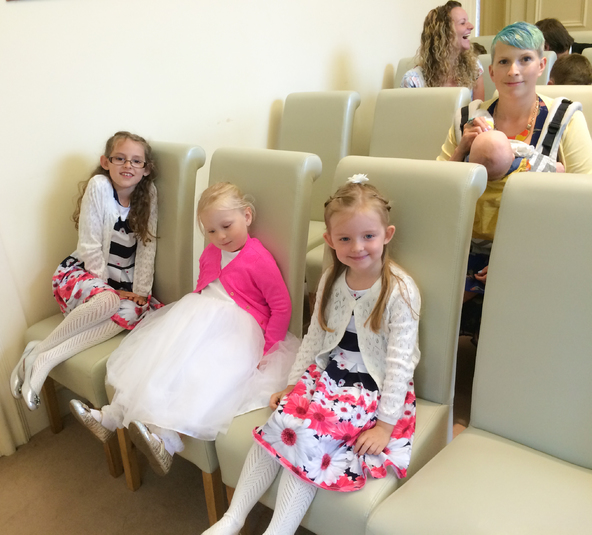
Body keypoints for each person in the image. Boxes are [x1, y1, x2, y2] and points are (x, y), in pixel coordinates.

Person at [203, 175, 421, 535]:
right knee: (279, 424)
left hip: (371, 386)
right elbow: (315, 336)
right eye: (345, 239)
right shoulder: (332, 279)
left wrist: (385, 425)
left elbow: (398, 365)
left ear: (387, 234)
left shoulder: (400, 290)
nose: (357, 247)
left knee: (307, 436)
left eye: (368, 236)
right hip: (329, 373)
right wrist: (294, 384)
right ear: (330, 240)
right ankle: (233, 518)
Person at [71, 182, 298, 476]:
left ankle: (167, 439)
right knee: (161, 359)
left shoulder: (258, 258)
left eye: (226, 226)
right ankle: (112, 416)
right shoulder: (211, 253)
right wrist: (189, 325)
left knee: (199, 375)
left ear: (247, 216)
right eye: (211, 231)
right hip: (198, 317)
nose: (220, 236)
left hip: (239, 329)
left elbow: (281, 306)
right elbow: (203, 288)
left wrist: (268, 348)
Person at [438, 21, 592, 339]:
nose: (514, 71)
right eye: (504, 61)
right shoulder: (468, 119)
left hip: (538, 248)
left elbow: (584, 203)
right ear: (491, 71)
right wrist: (461, 149)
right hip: (467, 246)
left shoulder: (566, 120)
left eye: (525, 60)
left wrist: (517, 256)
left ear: (542, 65)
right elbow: (439, 191)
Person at [10, 131, 161, 411]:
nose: (128, 165)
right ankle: (41, 356)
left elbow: (147, 247)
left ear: (146, 169)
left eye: (136, 161)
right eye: (120, 158)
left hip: (124, 282)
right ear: (106, 162)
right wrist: (106, 288)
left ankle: (41, 355)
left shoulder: (148, 194)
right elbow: (89, 245)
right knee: (107, 301)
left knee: (136, 310)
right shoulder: (99, 186)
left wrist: (140, 292)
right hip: (85, 274)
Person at [401, 1, 484, 101]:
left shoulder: (474, 68)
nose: (471, 26)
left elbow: (478, 109)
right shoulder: (412, 81)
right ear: (444, 33)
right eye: (462, 22)